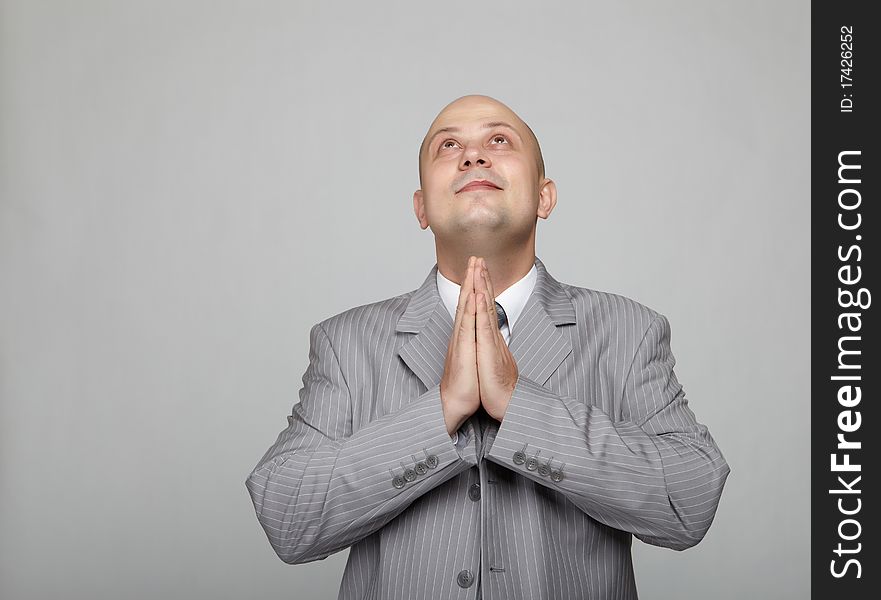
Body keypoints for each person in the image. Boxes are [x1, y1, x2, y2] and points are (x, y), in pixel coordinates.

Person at [245, 95, 730, 600]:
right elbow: (287, 518)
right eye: (448, 145)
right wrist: (441, 411)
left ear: (544, 197)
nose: (473, 156)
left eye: (499, 141)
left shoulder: (629, 332)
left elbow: (689, 500)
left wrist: (521, 406)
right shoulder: (345, 343)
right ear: (422, 208)